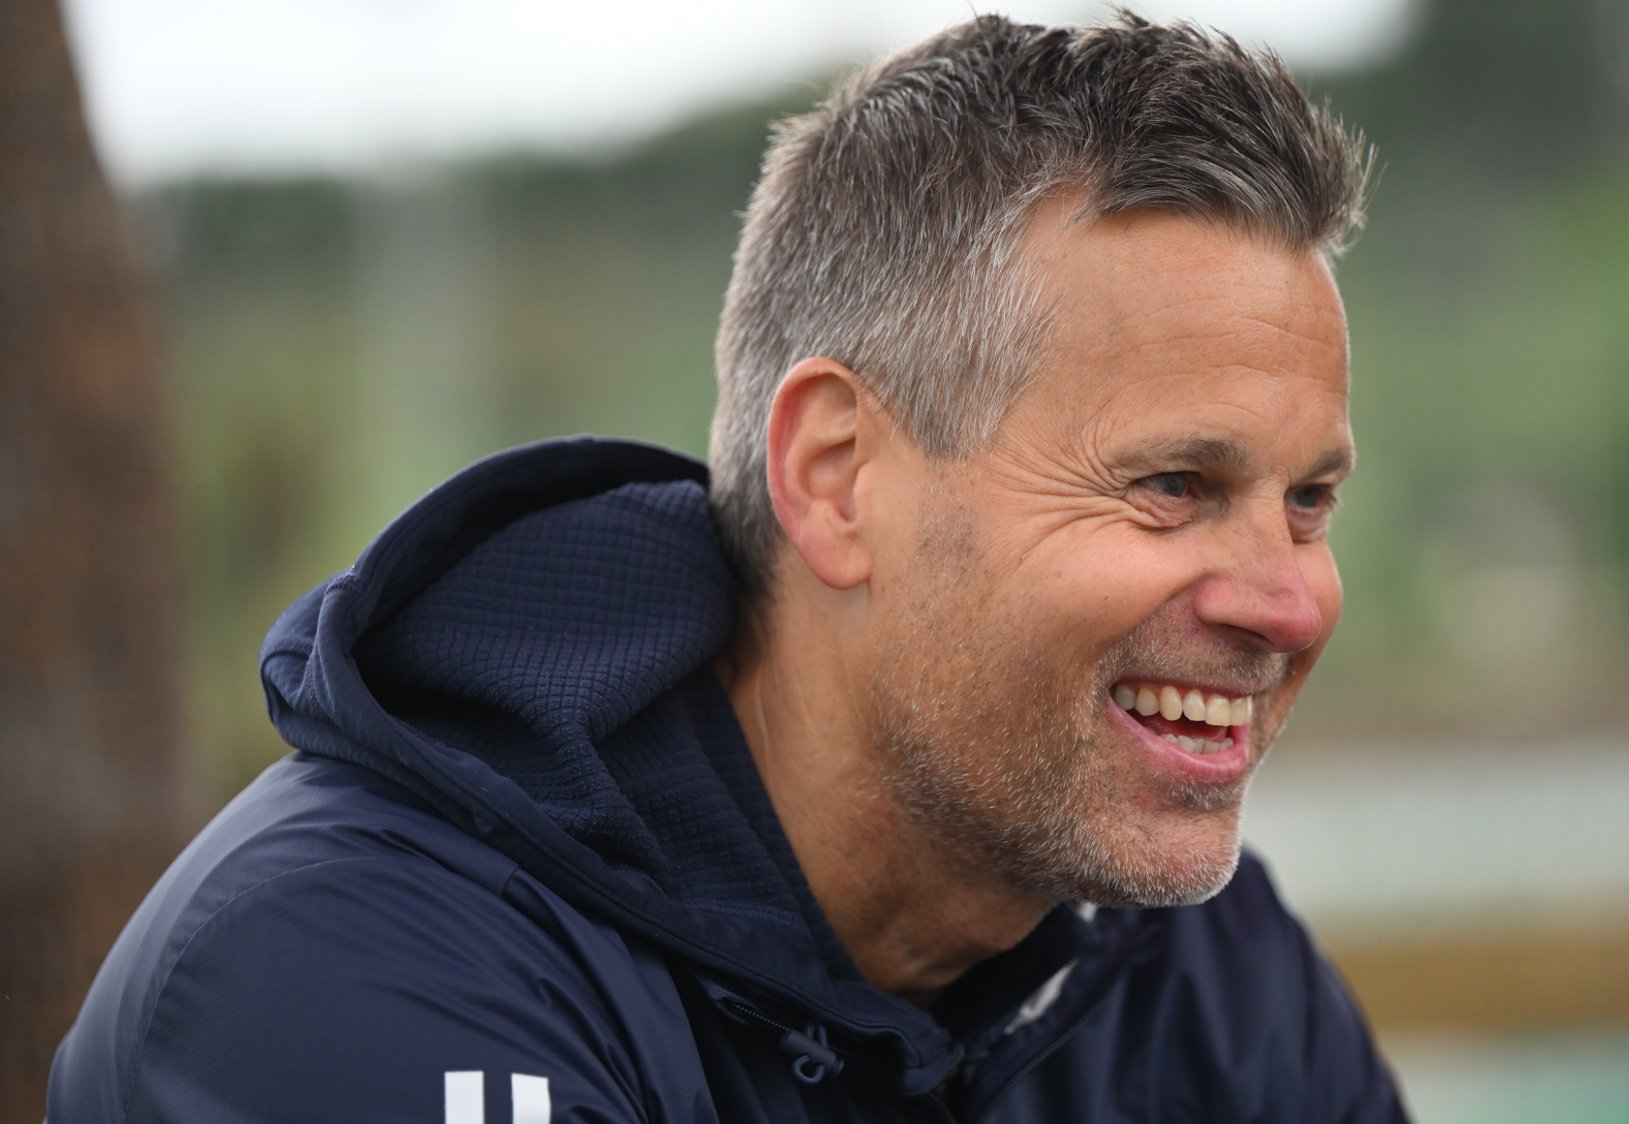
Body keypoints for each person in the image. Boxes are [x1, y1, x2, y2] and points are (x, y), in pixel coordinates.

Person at [50, 12, 1407, 1122]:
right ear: (836, 477)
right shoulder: (349, 972)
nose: (1288, 602)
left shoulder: (1199, 972)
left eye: (1308, 502)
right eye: (1174, 488)